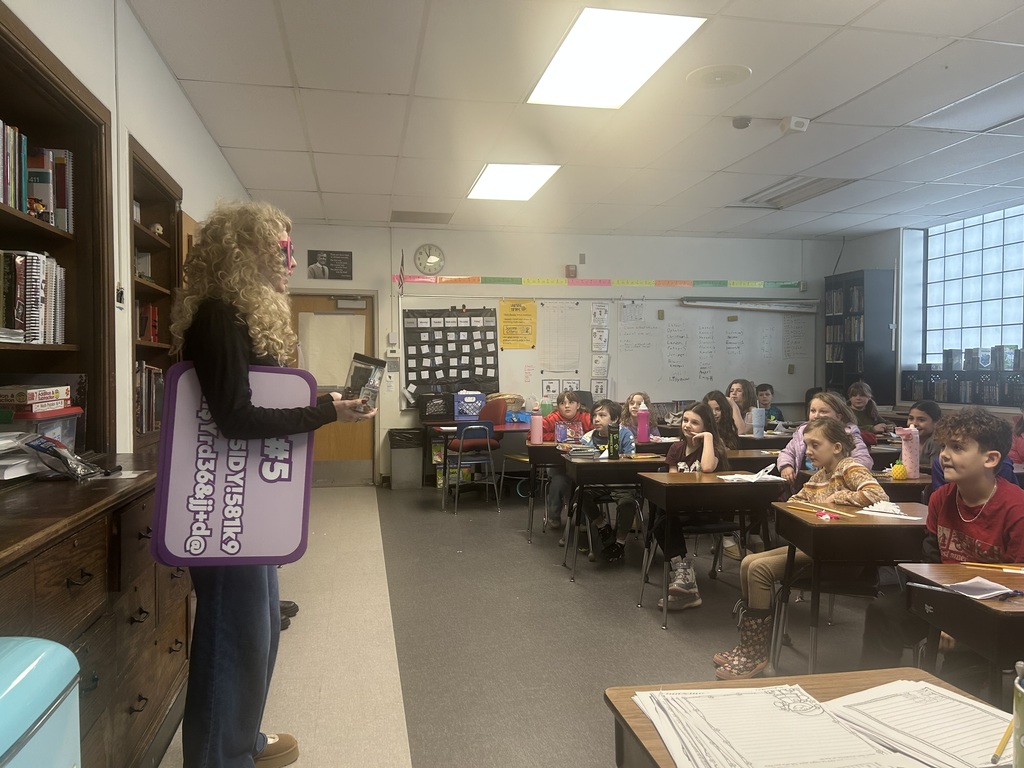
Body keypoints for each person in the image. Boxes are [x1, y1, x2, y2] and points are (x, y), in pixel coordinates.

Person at [168, 201, 376, 768]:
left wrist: (323, 404)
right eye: (281, 248)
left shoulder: (238, 316)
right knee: (230, 636)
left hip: (250, 503)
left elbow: (258, 403)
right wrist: (324, 415)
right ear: (247, 250)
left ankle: (243, 741)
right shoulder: (219, 316)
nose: (290, 259)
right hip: (224, 504)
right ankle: (219, 758)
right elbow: (237, 418)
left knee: (259, 632)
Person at [860, 407, 1024, 690]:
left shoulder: (1015, 508)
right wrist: (945, 612)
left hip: (999, 607)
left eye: (957, 448)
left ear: (991, 458)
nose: (944, 454)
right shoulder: (940, 499)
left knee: (955, 674)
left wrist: (959, 618)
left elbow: (1016, 585)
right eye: (944, 445)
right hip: (948, 595)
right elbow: (932, 562)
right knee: (883, 612)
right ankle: (871, 691)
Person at [715, 418, 888, 680]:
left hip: (841, 557)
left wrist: (837, 499)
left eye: (815, 444)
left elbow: (878, 495)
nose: (808, 450)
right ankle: (751, 645)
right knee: (748, 562)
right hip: (818, 549)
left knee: (760, 569)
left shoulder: (849, 467)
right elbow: (796, 502)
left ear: (837, 447)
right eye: (806, 444)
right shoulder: (820, 475)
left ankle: (755, 655)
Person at [648, 402, 730, 610]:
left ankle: (685, 579)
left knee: (665, 520)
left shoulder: (713, 448)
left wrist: (709, 439)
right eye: (685, 420)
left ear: (706, 426)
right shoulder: (676, 448)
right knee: (661, 520)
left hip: (708, 508)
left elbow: (708, 468)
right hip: (682, 506)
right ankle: (684, 575)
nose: (688, 425)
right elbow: (672, 480)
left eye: (695, 422)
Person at [577, 399, 638, 561]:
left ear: (615, 419)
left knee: (627, 503)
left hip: (621, 482)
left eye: (602, 415)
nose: (596, 419)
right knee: (580, 494)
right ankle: (602, 525)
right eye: (594, 415)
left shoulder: (624, 434)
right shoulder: (587, 438)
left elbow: (630, 459)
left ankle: (620, 542)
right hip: (597, 482)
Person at [777, 390, 872, 487]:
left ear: (838, 417)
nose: (816, 415)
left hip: (835, 484)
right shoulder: (802, 432)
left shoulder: (848, 433)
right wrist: (786, 466)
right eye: (813, 411)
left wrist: (841, 474)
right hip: (804, 481)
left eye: (823, 411)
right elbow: (787, 452)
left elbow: (863, 460)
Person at [541, 390, 592, 530]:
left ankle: (582, 519)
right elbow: (532, 433)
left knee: (583, 485)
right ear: (558, 406)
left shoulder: (587, 418)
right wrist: (557, 435)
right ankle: (554, 515)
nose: (567, 406)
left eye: (571, 402)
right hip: (559, 464)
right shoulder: (553, 418)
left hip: (583, 464)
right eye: (562, 403)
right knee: (558, 482)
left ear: (578, 405)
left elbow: (599, 433)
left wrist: (583, 437)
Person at [907, 399, 942, 470]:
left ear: (936, 422)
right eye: (911, 418)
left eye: (921, 420)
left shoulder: (935, 441)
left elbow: (935, 471)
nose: (914, 424)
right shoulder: (908, 438)